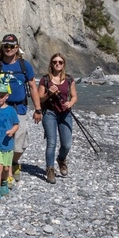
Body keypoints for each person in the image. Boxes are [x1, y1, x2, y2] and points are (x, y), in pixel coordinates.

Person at [0, 34, 40, 187]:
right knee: (3, 140)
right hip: (1, 108)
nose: (9, 49)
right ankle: (6, 173)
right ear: (3, 48)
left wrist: (38, 109)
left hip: (19, 108)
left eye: (12, 46)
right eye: (6, 46)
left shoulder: (24, 65)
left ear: (17, 47)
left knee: (20, 142)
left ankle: (14, 161)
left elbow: (33, 87)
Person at [39, 53, 78, 184]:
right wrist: (49, 93)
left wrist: (70, 103)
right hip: (50, 113)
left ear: (63, 64)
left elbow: (74, 96)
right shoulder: (45, 79)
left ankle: (61, 159)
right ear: (51, 63)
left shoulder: (69, 79)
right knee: (51, 143)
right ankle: (50, 169)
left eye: (60, 62)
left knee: (66, 144)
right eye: (55, 61)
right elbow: (39, 98)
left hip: (65, 113)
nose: (57, 64)